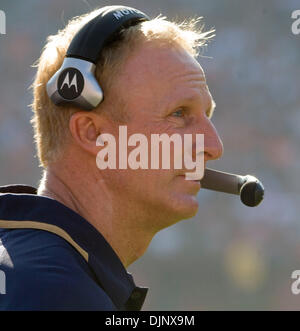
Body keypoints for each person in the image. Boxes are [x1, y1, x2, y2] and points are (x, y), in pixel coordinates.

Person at [0, 5, 223, 310]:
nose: (213, 146)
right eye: (179, 114)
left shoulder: (37, 271)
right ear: (92, 133)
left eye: (207, 116)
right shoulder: (55, 294)